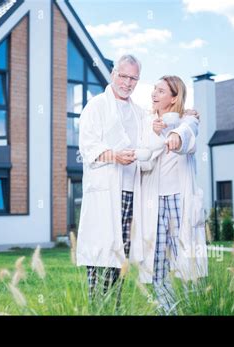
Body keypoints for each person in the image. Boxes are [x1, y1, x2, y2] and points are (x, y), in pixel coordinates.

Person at [76, 54, 146, 305]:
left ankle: (113, 306)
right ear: (113, 74)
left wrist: (185, 115)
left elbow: (156, 135)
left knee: (120, 256)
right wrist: (115, 156)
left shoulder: (140, 113)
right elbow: (88, 148)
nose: (127, 83)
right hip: (105, 192)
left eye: (134, 78)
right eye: (123, 76)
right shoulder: (96, 107)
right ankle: (97, 307)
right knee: (100, 252)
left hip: (130, 192)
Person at [136, 75, 208, 315]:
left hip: (180, 199)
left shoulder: (187, 120)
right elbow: (143, 161)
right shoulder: (147, 123)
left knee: (187, 261)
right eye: (154, 90)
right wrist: (154, 134)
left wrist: (175, 134)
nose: (154, 94)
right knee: (157, 262)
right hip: (154, 203)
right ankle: (169, 311)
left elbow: (187, 135)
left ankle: (192, 309)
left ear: (174, 97)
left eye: (161, 91)